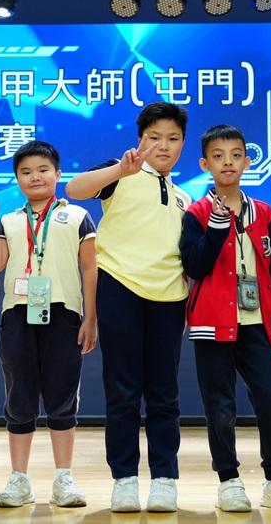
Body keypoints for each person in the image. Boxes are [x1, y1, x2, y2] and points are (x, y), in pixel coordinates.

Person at [65, 102, 191, 513]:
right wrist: (120, 170)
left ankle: (165, 479)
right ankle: (124, 479)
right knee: (122, 391)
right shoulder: (121, 174)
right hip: (120, 289)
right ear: (140, 140)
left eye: (173, 139)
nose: (164, 146)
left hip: (170, 299)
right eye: (155, 137)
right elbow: (74, 190)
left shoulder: (184, 197)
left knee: (164, 393)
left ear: (183, 144)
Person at [180, 124, 271, 513]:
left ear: (248, 162)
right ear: (204, 164)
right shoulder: (196, 213)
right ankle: (229, 481)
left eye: (236, 155)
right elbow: (195, 266)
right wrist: (217, 228)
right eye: (218, 156)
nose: (228, 163)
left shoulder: (265, 213)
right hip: (211, 325)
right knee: (220, 407)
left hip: (256, 325)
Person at [0, 140, 97, 509]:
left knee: (63, 397)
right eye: (26, 172)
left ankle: (64, 478)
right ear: (17, 179)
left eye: (43, 170)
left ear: (58, 174)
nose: (35, 177)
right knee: (19, 397)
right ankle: (19, 479)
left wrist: (90, 317)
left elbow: (90, 268)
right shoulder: (9, 221)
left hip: (64, 314)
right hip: (17, 314)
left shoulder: (78, 216)